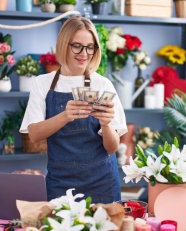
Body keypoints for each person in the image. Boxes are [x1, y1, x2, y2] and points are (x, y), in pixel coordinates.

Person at [20, 16, 127, 203]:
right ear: (64, 45)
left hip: (102, 183)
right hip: (61, 184)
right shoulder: (42, 83)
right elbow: (34, 134)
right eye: (77, 46)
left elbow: (112, 147)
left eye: (90, 47)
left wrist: (106, 125)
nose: (84, 53)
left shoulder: (103, 84)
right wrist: (65, 116)